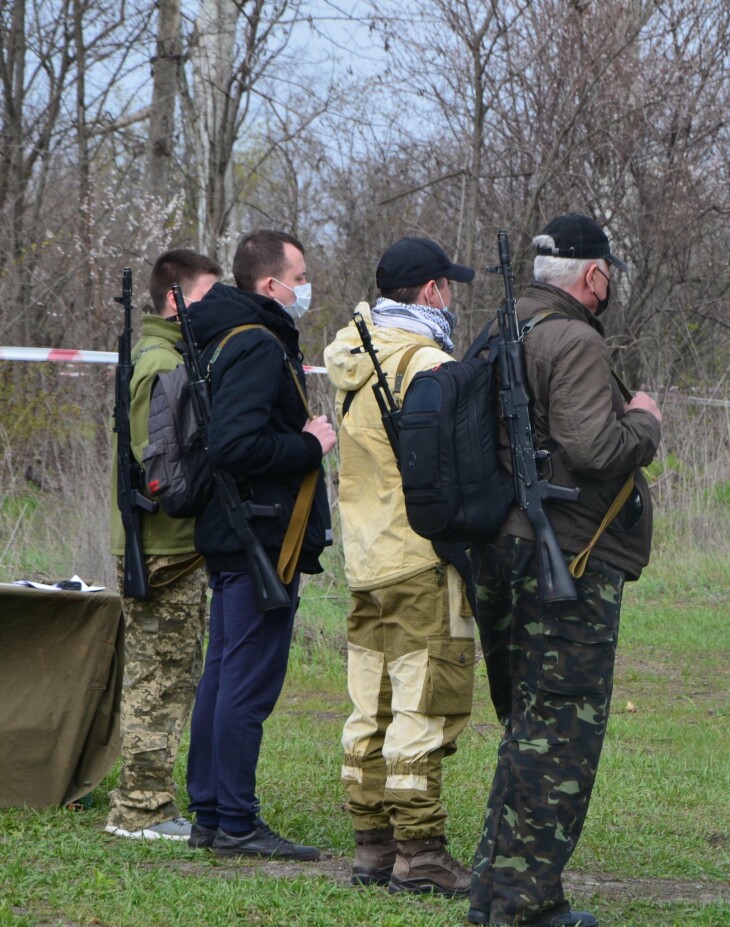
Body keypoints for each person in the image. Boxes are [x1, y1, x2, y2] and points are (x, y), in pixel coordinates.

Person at [469, 214, 662, 927]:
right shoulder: (574, 339)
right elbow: (594, 446)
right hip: (564, 561)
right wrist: (645, 420)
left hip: (500, 551)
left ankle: (492, 889)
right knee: (561, 735)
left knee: (528, 723)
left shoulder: (499, 331)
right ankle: (525, 903)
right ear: (594, 276)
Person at [323, 237, 479, 894]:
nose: (453, 297)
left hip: (364, 557)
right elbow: (454, 471)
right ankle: (421, 852)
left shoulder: (351, 356)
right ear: (432, 290)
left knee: (372, 701)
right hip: (419, 557)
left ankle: (372, 845)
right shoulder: (429, 363)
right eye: (450, 285)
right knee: (424, 701)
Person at [182, 229, 336, 860]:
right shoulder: (256, 344)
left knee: (224, 674)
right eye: (299, 277)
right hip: (257, 533)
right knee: (246, 680)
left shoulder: (229, 335)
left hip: (240, 529)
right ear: (270, 285)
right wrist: (309, 443)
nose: (305, 288)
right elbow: (233, 446)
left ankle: (212, 815)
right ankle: (236, 823)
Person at [104, 249, 221, 841]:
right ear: (176, 302)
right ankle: (139, 810)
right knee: (158, 681)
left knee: (171, 676)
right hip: (163, 547)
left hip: (171, 545)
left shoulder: (169, 356)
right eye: (207, 296)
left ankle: (149, 802)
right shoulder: (160, 363)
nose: (215, 307)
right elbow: (162, 469)